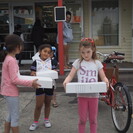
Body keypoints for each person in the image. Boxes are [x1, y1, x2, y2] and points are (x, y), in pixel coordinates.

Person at [63, 38, 109, 133]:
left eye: (88, 52)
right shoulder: (78, 63)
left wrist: (106, 81)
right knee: (82, 120)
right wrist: (66, 81)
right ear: (80, 52)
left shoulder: (97, 63)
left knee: (93, 120)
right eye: (83, 52)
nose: (86, 55)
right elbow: (71, 75)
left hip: (94, 96)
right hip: (82, 95)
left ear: (93, 50)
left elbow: (103, 77)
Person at [0, 34, 40, 133]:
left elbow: (14, 77)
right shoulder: (12, 60)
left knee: (10, 114)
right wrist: (31, 83)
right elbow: (15, 79)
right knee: (15, 117)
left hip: (6, 91)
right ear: (17, 46)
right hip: (11, 92)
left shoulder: (8, 58)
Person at [29, 44, 54, 131]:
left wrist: (53, 72)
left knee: (47, 103)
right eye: (44, 51)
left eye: (48, 52)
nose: (46, 54)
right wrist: (34, 74)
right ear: (40, 52)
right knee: (38, 105)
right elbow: (32, 73)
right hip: (39, 85)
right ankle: (35, 122)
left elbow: (54, 72)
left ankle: (46, 120)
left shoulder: (52, 61)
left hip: (50, 85)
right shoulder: (36, 62)